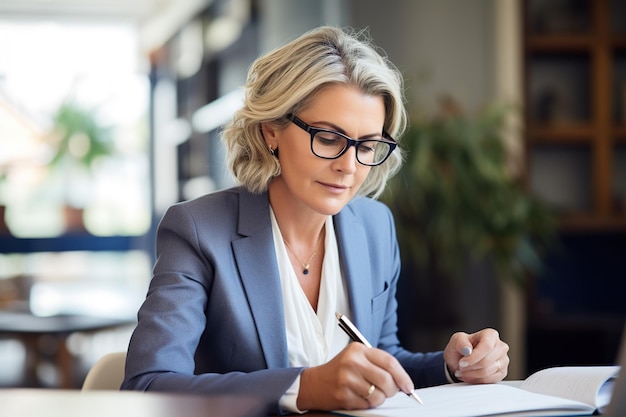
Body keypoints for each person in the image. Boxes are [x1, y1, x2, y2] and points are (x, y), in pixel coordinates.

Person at [121, 26, 510, 414]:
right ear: (271, 130)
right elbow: (147, 386)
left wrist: (453, 367)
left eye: (367, 145)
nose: (349, 166)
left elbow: (383, 359)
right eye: (327, 138)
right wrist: (304, 387)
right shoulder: (198, 230)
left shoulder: (375, 227)